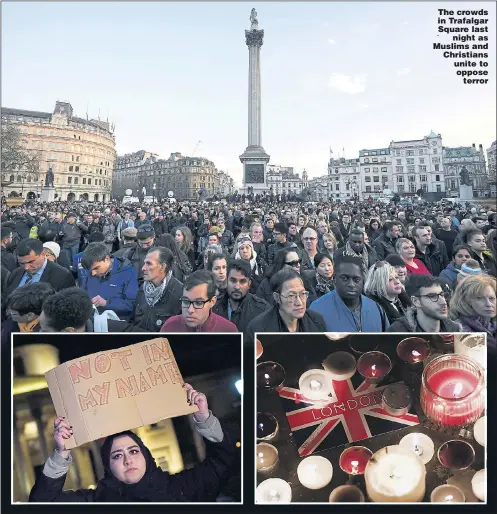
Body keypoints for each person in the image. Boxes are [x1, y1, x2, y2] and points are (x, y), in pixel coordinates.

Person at [29, 384, 235, 502]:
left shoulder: (182, 488)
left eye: (134, 451)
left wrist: (204, 417)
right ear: (108, 466)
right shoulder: (95, 502)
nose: (128, 460)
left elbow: (224, 461)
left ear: (146, 456)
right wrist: (62, 453)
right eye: (117, 456)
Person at [310, 255, 388, 332]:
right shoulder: (317, 309)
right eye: (344, 278)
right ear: (335, 279)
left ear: (363, 281)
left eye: (356, 279)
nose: (351, 284)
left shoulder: (376, 308)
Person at [245, 269, 326, 343]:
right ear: (277, 297)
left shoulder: (316, 321)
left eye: (303, 294)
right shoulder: (258, 329)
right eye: (291, 296)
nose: (299, 302)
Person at [160, 270, 238, 333]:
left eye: (198, 303)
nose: (190, 310)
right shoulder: (169, 327)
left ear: (212, 301)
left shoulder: (228, 330)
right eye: (186, 301)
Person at [80, 242, 139, 321]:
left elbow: (131, 305)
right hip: (93, 321)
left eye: (96, 268)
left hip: (116, 323)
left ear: (107, 259)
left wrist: (106, 303)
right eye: (90, 270)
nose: (93, 273)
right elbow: (82, 294)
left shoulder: (128, 273)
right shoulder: (89, 271)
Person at [129, 247, 183, 331]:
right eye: (144, 263)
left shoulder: (179, 294)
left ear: (162, 267)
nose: (143, 268)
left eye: (149, 264)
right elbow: (133, 319)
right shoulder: (143, 288)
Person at [3, 238, 75, 300]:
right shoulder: (15, 274)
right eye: (21, 263)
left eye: (31, 262)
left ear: (43, 254)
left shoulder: (63, 276)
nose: (26, 267)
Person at [387, 275, 461, 333]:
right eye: (432, 296)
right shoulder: (397, 331)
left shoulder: (454, 329)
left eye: (442, 295)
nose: (443, 302)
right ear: (416, 301)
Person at [213, 259, 268, 335]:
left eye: (242, 281)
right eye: (233, 281)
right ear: (226, 281)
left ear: (249, 284)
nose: (237, 287)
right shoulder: (213, 307)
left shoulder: (262, 310)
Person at [449, 275, 496, 353]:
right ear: (466, 301)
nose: (489, 304)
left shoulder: (490, 324)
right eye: (479, 298)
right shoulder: (461, 330)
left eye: (492, 298)